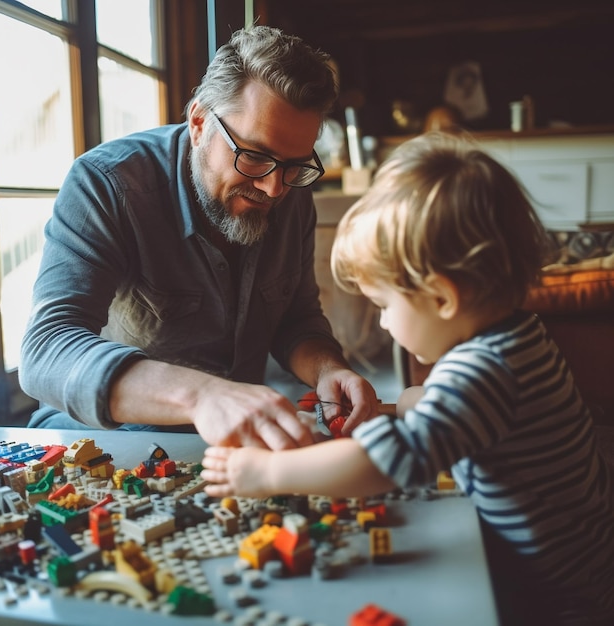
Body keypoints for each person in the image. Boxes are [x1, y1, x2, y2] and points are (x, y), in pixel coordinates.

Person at [202, 132, 614, 625]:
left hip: (548, 594)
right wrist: (398, 409)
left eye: (384, 306)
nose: (382, 323)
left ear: (441, 297)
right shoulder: (518, 334)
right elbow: (456, 411)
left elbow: (384, 466)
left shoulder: (482, 371)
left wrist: (266, 475)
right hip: (576, 559)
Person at [19, 25, 379, 449]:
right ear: (198, 123)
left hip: (227, 454)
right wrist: (202, 395)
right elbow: (46, 350)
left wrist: (328, 370)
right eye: (255, 157)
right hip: (102, 447)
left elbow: (297, 320)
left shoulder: (290, 195)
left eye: (294, 166)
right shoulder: (107, 185)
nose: (273, 189)